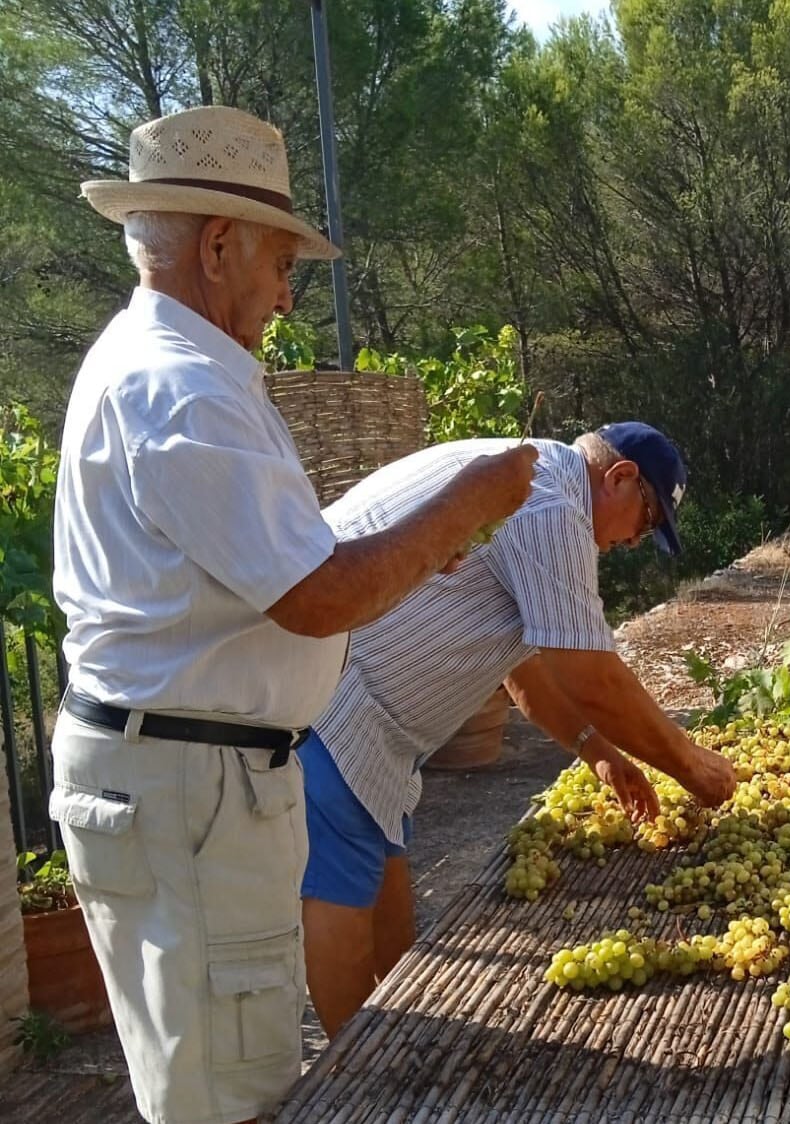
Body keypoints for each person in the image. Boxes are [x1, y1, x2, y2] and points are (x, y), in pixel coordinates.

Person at [50, 106, 537, 1124]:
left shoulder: (171, 366)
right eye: (282, 262)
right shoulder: (180, 386)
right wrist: (468, 500)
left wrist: (415, 551)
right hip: (189, 791)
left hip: (191, 779)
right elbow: (314, 596)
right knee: (232, 1099)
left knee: (226, 1072)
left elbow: (280, 566)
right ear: (218, 246)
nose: (285, 291)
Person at [299, 423, 739, 1037]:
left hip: (374, 726)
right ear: (620, 478)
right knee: (344, 889)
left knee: (384, 880)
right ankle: (352, 1082)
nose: (634, 542)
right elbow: (591, 677)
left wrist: (598, 752)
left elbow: (525, 670)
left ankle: (389, 1046)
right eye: (643, 523)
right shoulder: (549, 504)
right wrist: (690, 765)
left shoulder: (536, 487)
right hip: (335, 699)